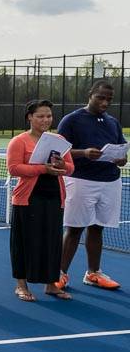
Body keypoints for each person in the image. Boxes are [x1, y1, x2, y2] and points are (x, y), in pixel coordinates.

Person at [56, 79, 127, 290]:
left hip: (110, 182)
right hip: (81, 181)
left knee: (97, 229)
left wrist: (121, 158)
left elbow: (120, 147)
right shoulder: (71, 120)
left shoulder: (113, 122)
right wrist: (83, 153)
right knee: (75, 229)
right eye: (101, 98)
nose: (105, 103)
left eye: (109, 99)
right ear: (90, 95)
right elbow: (58, 151)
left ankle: (93, 273)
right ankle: (59, 274)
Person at [7, 100, 75, 302]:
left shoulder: (59, 139)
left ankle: (51, 285)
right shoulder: (19, 141)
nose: (46, 120)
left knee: (53, 242)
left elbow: (70, 168)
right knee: (24, 242)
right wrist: (43, 169)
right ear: (30, 117)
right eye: (40, 116)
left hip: (54, 197)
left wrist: (62, 165)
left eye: (49, 116)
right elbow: (14, 168)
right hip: (27, 199)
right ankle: (21, 285)